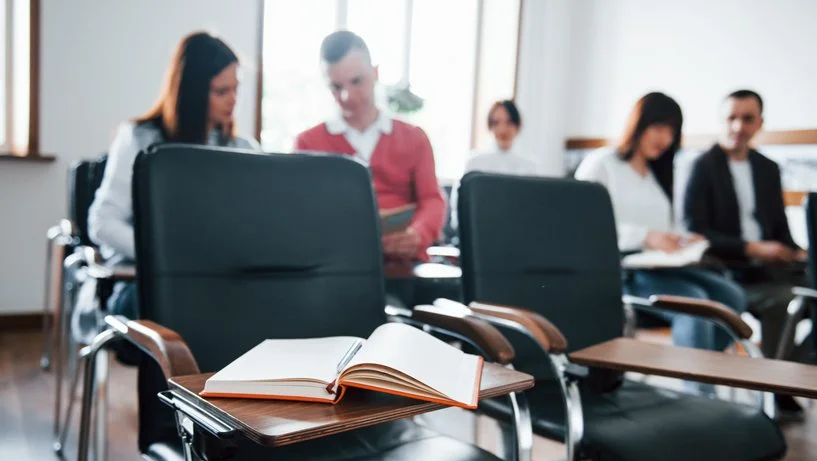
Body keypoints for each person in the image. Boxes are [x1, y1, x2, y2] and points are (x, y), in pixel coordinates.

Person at [575, 92, 747, 396]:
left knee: (731, 295)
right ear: (639, 124)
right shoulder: (603, 164)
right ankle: (700, 396)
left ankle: (697, 364)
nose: (665, 138)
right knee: (693, 304)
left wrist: (679, 239)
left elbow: (662, 229)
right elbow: (581, 228)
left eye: (671, 131)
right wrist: (644, 236)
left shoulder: (659, 176)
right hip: (620, 272)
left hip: (658, 267)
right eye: (659, 127)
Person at [84, 31, 258, 327]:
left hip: (217, 279)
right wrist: (167, 255)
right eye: (221, 91)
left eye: (236, 89)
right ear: (191, 91)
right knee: (195, 310)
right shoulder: (139, 139)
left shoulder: (243, 149)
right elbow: (102, 223)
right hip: (145, 281)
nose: (233, 101)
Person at [682, 89, 808, 419]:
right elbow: (697, 232)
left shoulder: (767, 169)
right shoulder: (703, 166)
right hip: (728, 271)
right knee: (785, 300)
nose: (738, 126)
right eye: (731, 118)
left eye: (747, 118)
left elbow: (779, 227)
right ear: (722, 121)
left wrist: (797, 252)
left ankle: (791, 374)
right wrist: (750, 248)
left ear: (759, 123)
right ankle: (777, 385)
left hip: (772, 267)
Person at [293, 30, 446, 286]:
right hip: (334, 275)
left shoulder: (415, 138)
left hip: (403, 272)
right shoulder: (307, 143)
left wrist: (417, 234)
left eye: (356, 82)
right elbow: (300, 213)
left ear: (375, 74)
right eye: (336, 87)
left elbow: (432, 200)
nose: (347, 96)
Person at [450, 100, 537, 235]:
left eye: (509, 122)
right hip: (481, 231)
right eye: (496, 123)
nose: (502, 129)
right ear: (490, 126)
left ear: (517, 125)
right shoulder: (475, 162)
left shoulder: (529, 165)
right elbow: (460, 204)